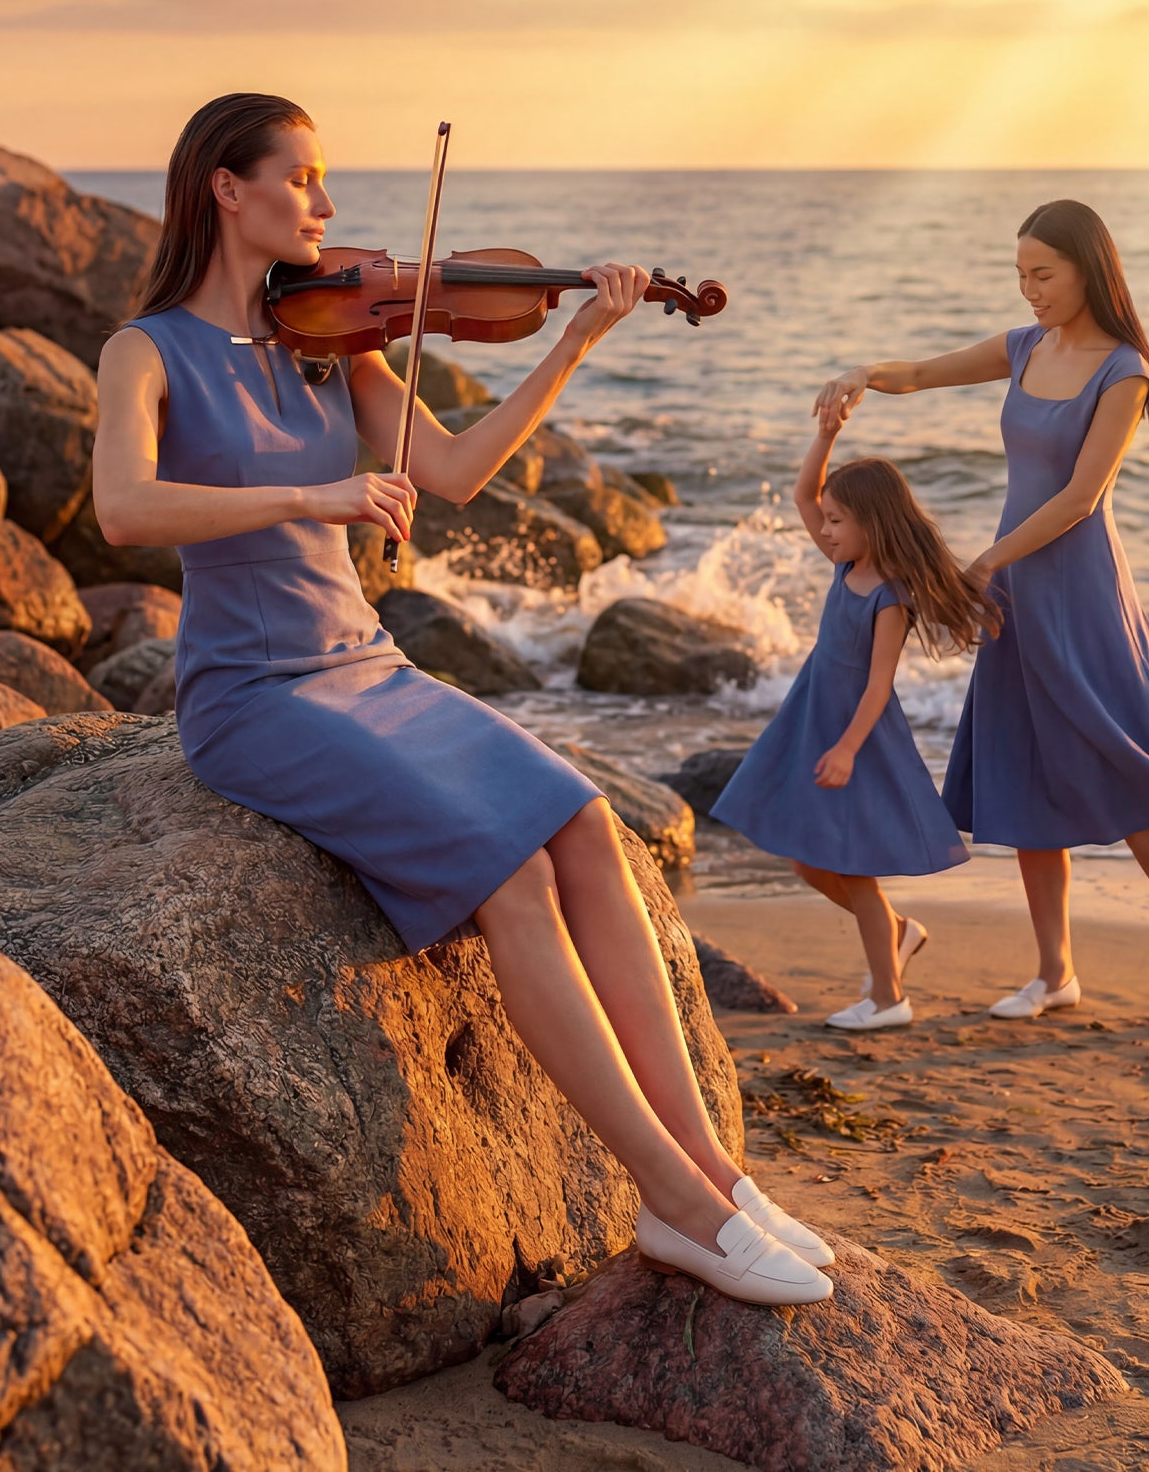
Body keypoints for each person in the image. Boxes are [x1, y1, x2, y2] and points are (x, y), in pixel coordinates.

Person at [91, 92, 832, 1307]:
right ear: (227, 189)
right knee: (509, 876)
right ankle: (670, 1198)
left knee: (585, 827)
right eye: (304, 179)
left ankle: (713, 1173)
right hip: (252, 693)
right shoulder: (147, 351)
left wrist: (575, 337)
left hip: (367, 665)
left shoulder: (331, 341)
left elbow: (458, 472)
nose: (326, 207)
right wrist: (311, 498)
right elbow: (125, 509)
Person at [815, 199, 1149, 1028]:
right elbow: (923, 373)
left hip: (1078, 588)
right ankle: (1053, 973)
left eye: (1042, 274)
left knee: (1120, 761)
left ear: (1089, 269)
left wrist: (987, 561)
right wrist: (861, 376)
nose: (1029, 291)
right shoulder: (1021, 350)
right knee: (1025, 769)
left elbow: (1081, 498)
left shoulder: (1123, 370)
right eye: (1019, 275)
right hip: (1012, 585)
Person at [711, 401, 997, 1030]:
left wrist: (846, 749)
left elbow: (878, 686)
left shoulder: (890, 596)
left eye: (840, 520)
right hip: (813, 717)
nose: (827, 528)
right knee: (807, 860)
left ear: (872, 523)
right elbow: (804, 494)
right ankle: (897, 934)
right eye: (830, 520)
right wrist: (825, 434)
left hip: (859, 735)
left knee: (855, 870)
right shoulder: (845, 564)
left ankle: (890, 999)